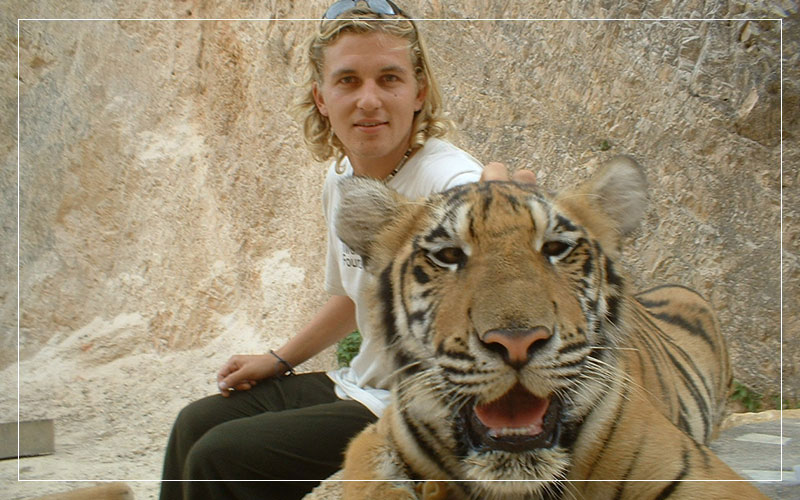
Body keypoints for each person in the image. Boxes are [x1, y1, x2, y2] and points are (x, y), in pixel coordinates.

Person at [159, 2, 521, 499]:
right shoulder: (342, 178)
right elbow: (354, 299)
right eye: (348, 80)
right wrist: (279, 359)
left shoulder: (446, 179)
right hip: (363, 380)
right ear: (322, 98)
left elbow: (494, 248)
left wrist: (495, 194)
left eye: (388, 78)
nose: (368, 100)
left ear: (419, 92)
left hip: (418, 402)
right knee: (194, 423)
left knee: (221, 456)